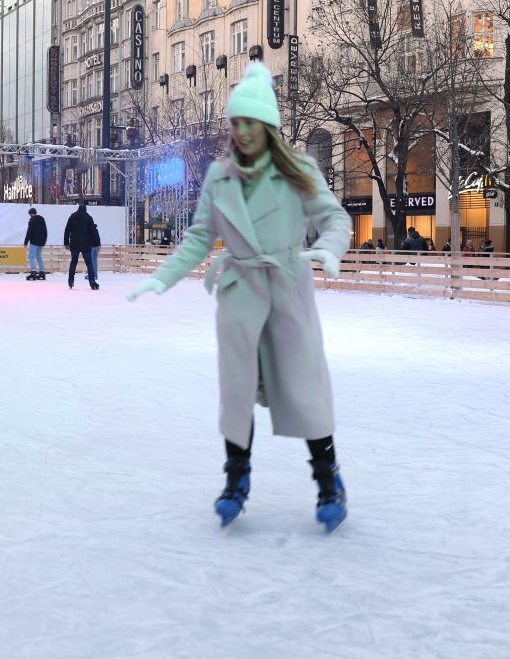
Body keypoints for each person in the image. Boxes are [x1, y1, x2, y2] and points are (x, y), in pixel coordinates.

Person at [126, 61, 352, 533]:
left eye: (251, 122)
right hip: (241, 293)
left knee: (304, 388)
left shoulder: (299, 172)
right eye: (236, 122)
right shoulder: (219, 176)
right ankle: (236, 480)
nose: (242, 131)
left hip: (287, 289)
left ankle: (329, 481)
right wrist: (163, 277)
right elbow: (199, 238)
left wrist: (329, 250)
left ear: (268, 125)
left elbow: (335, 219)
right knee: (236, 393)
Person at [64, 202, 100, 290]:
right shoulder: (88, 217)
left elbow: (67, 230)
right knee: (89, 264)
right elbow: (93, 231)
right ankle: (92, 281)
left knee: (73, 262)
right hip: (85, 244)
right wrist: (97, 243)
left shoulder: (72, 217)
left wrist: (66, 243)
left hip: (74, 244)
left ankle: (70, 280)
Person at [23, 207, 48, 281]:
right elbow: (45, 232)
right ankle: (42, 272)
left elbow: (29, 232)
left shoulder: (32, 221)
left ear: (31, 214)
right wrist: (44, 241)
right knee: (38, 257)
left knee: (31, 256)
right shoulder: (42, 220)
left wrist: (26, 242)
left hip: (34, 241)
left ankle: (33, 272)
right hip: (41, 242)